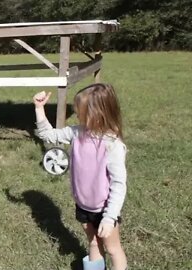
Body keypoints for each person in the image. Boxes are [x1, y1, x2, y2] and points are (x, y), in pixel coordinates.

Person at [33, 84, 127, 270]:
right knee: (93, 243)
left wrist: (109, 218)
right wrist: (39, 108)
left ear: (98, 113)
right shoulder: (77, 132)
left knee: (112, 248)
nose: (77, 115)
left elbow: (119, 184)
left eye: (80, 112)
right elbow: (48, 135)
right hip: (83, 205)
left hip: (105, 209)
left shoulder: (112, 145)